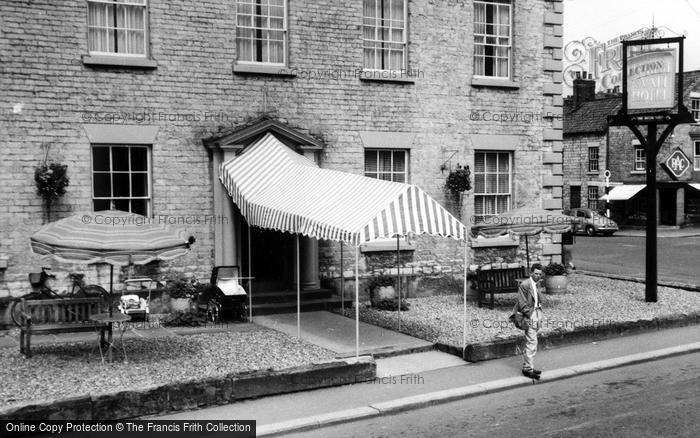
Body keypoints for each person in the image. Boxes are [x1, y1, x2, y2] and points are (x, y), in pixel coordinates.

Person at [514, 263, 544, 380]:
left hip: (537, 313)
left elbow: (537, 300)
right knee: (531, 340)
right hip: (530, 315)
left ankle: (529, 366)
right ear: (531, 273)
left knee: (533, 341)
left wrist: (539, 313)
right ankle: (527, 369)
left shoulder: (537, 284)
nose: (537, 276)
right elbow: (521, 302)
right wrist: (529, 313)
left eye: (539, 274)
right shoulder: (525, 284)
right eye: (536, 273)